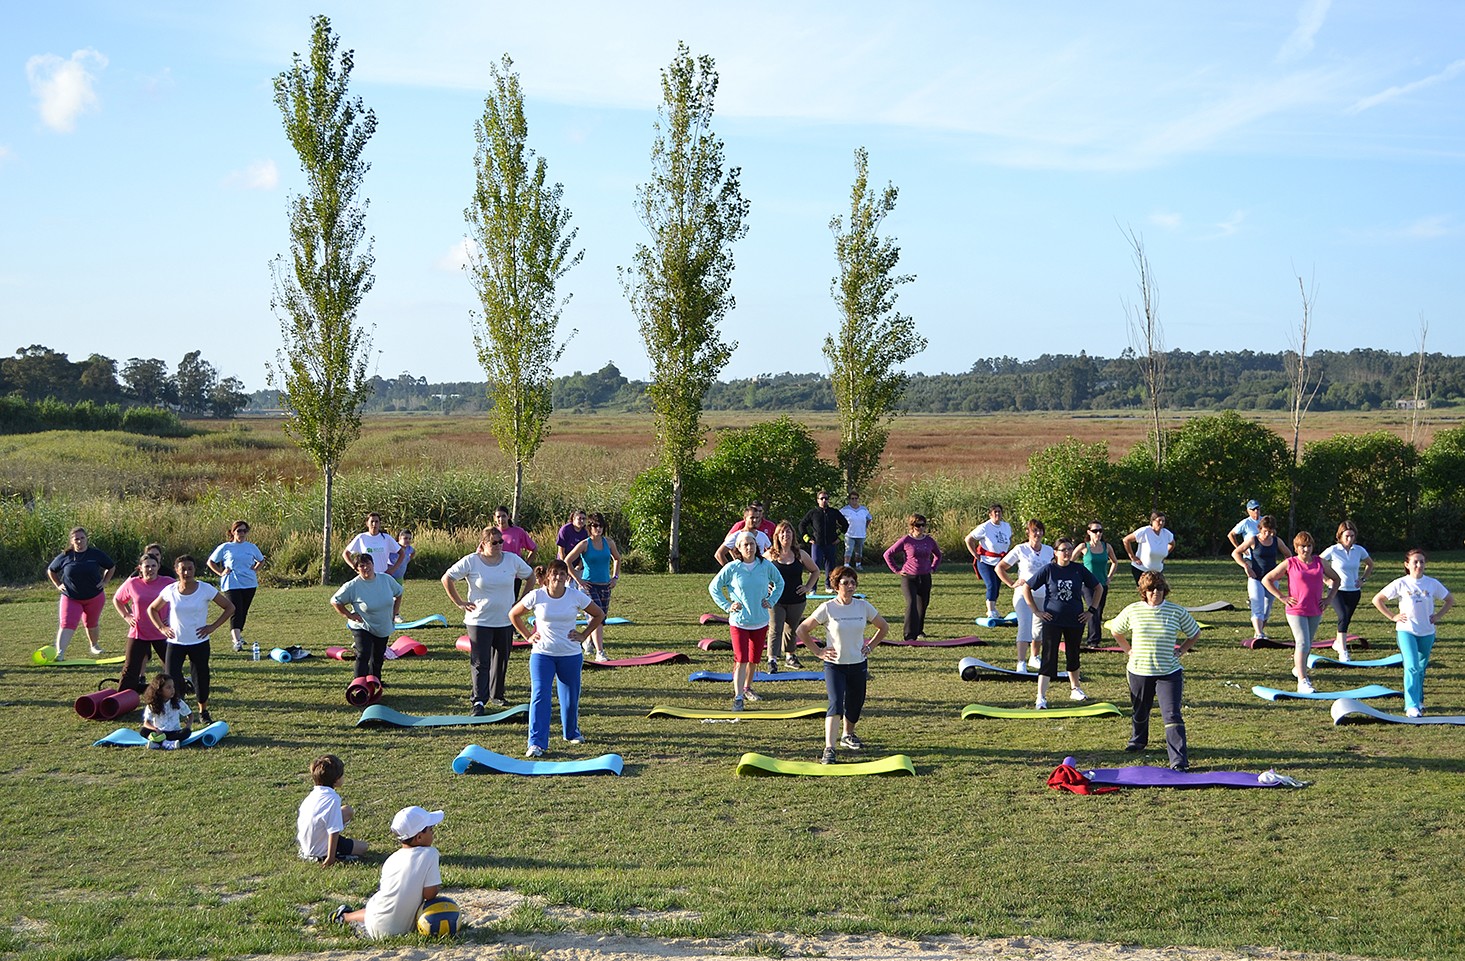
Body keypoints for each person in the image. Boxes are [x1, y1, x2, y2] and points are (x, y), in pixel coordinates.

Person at [1108, 572, 1202, 771]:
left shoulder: (1176, 611)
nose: (1155, 592)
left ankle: (1178, 760)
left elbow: (1194, 633)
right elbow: (1116, 630)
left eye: (1159, 588)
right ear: (1144, 591)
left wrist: (1182, 650)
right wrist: (1128, 649)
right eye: (1150, 589)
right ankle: (1138, 740)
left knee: (1172, 714)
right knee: (1140, 709)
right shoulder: (1133, 610)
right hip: (1139, 671)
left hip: (1169, 672)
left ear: (1164, 590)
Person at [510, 559, 604, 756]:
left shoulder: (575, 596)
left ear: (567, 577)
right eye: (555, 573)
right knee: (540, 695)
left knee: (570, 698)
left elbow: (598, 614)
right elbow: (514, 614)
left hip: (570, 654)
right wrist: (528, 636)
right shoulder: (537, 595)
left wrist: (584, 635)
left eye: (562, 574)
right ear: (547, 576)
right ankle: (536, 743)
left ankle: (571, 732)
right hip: (542, 654)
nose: (558, 577)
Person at [796, 566, 888, 764]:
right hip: (834, 666)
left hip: (858, 663)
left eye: (853, 582)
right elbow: (802, 630)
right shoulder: (828, 608)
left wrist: (870, 646)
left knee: (855, 704)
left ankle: (848, 734)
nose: (850, 586)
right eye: (845, 583)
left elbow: (883, 627)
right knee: (836, 704)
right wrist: (818, 651)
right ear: (836, 585)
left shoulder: (863, 606)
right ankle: (829, 748)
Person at [442, 527, 535, 714]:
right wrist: (459, 602)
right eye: (494, 542)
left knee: (501, 660)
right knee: (480, 661)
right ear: (483, 544)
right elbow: (447, 578)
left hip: (505, 620)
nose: (499, 545)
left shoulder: (511, 559)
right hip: (479, 621)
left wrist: (521, 602)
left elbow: (530, 576)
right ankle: (478, 700)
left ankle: (497, 695)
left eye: (501, 542)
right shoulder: (472, 561)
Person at [332, 806, 444, 938]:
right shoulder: (431, 854)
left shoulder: (392, 859)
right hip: (401, 929)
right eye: (431, 830)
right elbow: (430, 894)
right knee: (381, 910)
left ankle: (344, 917)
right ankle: (346, 916)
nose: (433, 833)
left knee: (378, 910)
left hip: (376, 923)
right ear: (419, 837)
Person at [148, 555, 235, 724]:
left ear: (195, 570)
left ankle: (203, 711)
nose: (187, 572)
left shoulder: (205, 589)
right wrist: (162, 628)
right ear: (176, 570)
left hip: (199, 642)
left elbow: (230, 607)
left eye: (190, 569)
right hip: (175, 643)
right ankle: (174, 710)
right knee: (171, 678)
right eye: (183, 569)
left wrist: (212, 626)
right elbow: (152, 609)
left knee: (201, 678)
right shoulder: (170, 590)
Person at [1018, 535, 1103, 707]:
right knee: (1049, 657)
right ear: (1055, 552)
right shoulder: (1049, 569)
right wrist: (1036, 611)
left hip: (1075, 620)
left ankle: (1075, 689)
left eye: (1070, 549)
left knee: (1073, 654)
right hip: (1053, 620)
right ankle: (1041, 697)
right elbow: (1027, 587)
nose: (1068, 553)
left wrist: (1091, 611)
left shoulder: (1078, 569)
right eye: (1064, 550)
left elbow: (1098, 587)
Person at [1372, 549, 1455, 718]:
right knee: (1411, 667)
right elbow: (1377, 599)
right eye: (1415, 562)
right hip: (1406, 631)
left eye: (1422, 562)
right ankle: (1411, 706)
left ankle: (1419, 700)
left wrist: (1438, 616)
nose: (1419, 565)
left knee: (1421, 668)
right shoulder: (1401, 583)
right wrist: (1392, 616)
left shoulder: (1432, 583)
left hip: (1427, 632)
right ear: (1407, 565)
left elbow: (1449, 599)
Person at [708, 531, 785, 710]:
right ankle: (738, 697)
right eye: (745, 545)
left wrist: (771, 600)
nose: (749, 547)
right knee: (741, 658)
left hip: (760, 620)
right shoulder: (732, 568)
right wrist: (728, 606)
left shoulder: (765, 565)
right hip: (739, 622)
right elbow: (714, 588)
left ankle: (747, 688)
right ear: (738, 548)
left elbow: (780, 583)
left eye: (752, 544)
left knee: (754, 659)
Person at [1262, 531, 1339, 694]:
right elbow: (1267, 579)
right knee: (1302, 642)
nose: (1306, 549)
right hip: (1296, 609)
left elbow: (1336, 579)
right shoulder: (1290, 563)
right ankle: (1303, 681)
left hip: (1315, 608)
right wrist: (1282, 597)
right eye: (1302, 546)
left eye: (1309, 546)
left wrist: (1329, 598)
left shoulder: (1320, 562)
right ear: (1296, 548)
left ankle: (1299, 668)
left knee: (1308, 643)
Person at [331, 554, 403, 688]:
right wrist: (349, 615)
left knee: (378, 655)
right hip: (362, 625)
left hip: (382, 624)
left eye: (368, 564)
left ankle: (375, 681)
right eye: (361, 566)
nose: (366, 568)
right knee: (363, 653)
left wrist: (395, 612)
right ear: (356, 569)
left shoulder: (386, 579)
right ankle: (359, 685)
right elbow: (335, 601)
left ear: (373, 564)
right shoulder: (352, 585)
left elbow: (399, 593)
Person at [46, 527, 116, 659]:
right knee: (67, 623)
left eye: (82, 538)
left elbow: (111, 567)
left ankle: (94, 646)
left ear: (86, 539)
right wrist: (58, 585)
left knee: (91, 623)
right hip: (71, 597)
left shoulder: (95, 554)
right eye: (76, 539)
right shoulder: (65, 556)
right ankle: (60, 653)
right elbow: (51, 570)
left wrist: (105, 581)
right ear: (71, 541)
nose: (79, 541)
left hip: (95, 597)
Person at [996, 519, 1054, 673]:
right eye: (1035, 530)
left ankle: (1034, 657)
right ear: (1028, 532)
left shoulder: (1048, 550)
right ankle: (1021, 662)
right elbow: (1000, 567)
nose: (1038, 534)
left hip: (1043, 594)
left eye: (1040, 530)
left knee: (1039, 627)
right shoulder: (1020, 549)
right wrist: (1011, 583)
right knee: (1025, 625)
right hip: (1023, 594)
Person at [112, 553, 175, 692]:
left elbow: (180, 599)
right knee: (130, 669)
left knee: (172, 667)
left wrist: (171, 618)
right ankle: (122, 697)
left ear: (158, 567)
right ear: (140, 568)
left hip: (163, 632)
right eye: (147, 566)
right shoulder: (132, 583)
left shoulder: (169, 583)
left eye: (153, 566)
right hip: (139, 632)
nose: (150, 569)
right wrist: (126, 616)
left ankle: (175, 694)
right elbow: (117, 599)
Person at [564, 512, 622, 662]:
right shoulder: (584, 544)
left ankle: (587, 640)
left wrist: (615, 577)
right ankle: (600, 653)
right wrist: (578, 579)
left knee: (600, 619)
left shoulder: (609, 543)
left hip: (605, 585)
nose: (598, 529)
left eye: (601, 526)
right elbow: (567, 561)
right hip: (588, 586)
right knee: (598, 616)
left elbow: (617, 558)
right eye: (595, 526)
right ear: (589, 527)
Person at [764, 520, 819, 672]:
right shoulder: (770, 555)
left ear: (793, 535)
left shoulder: (800, 554)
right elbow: (757, 571)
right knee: (775, 628)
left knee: (792, 628)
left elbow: (815, 571)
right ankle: (772, 660)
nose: (785, 535)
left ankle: (790, 656)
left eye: (788, 532)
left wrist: (807, 587)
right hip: (776, 600)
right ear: (777, 536)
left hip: (796, 600)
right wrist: (765, 585)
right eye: (782, 532)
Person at [1230, 515, 1291, 642]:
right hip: (1256, 577)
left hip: (1271, 580)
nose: (1267, 534)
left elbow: (1288, 555)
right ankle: (1259, 634)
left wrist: (1282, 571)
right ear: (1260, 528)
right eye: (1265, 531)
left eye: (1270, 531)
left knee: (1267, 609)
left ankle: (1259, 631)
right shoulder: (1253, 540)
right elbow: (1235, 553)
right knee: (1257, 606)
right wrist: (1246, 566)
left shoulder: (1277, 541)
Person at [297, 754, 366, 866]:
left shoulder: (312, 795)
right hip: (320, 850)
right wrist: (330, 858)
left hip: (308, 844)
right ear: (336, 780)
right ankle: (332, 853)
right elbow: (333, 831)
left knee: (347, 810)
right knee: (363, 847)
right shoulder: (332, 799)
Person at [207, 520, 265, 653]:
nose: (242, 533)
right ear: (233, 532)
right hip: (231, 583)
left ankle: (238, 634)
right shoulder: (225, 547)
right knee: (235, 610)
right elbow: (211, 562)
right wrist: (221, 572)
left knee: (243, 610)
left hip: (249, 583)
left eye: (245, 531)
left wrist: (255, 570)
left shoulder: (251, 547)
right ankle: (236, 640)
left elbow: (261, 560)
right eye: (239, 531)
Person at [883, 513, 942, 641]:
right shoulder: (906, 540)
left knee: (923, 604)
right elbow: (887, 554)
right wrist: (896, 570)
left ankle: (919, 630)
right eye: (918, 525)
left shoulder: (929, 540)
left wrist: (933, 567)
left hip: (925, 576)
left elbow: (938, 555)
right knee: (911, 604)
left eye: (923, 525)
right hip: (909, 577)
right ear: (912, 526)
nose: (921, 528)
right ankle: (909, 634)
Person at [1321, 520, 1374, 663]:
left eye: (1352, 536)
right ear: (1340, 536)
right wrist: (1326, 580)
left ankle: (1338, 642)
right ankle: (1343, 651)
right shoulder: (1333, 550)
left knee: (1346, 619)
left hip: (1354, 591)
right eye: (1346, 536)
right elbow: (1317, 564)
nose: (1349, 539)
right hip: (1337, 591)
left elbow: (1370, 564)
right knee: (1343, 616)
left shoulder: (1359, 550)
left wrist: (1363, 579)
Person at [1072, 520, 1117, 647]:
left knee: (1099, 612)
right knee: (1093, 610)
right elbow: (1069, 561)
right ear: (1089, 532)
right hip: (1087, 585)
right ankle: (1093, 641)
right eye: (1095, 531)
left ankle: (1094, 637)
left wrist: (1109, 577)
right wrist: (1076, 576)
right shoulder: (1083, 547)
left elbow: (1115, 562)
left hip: (1102, 584)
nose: (1098, 533)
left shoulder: (1106, 547)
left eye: (1100, 531)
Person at [964, 504, 1012, 621]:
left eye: (999, 511)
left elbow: (1008, 540)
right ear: (990, 514)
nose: (997, 514)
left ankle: (994, 609)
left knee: (997, 586)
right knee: (991, 585)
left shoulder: (1006, 526)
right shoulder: (985, 527)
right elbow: (968, 539)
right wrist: (975, 554)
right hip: (985, 561)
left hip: (1000, 563)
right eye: (995, 512)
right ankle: (990, 611)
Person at [798, 490, 848, 590]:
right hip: (817, 544)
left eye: (826, 498)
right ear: (818, 500)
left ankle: (829, 586)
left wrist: (840, 538)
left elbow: (845, 525)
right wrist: (807, 538)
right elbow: (802, 525)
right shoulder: (813, 513)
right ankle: (812, 588)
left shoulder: (834, 512)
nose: (824, 500)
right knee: (815, 566)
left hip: (831, 544)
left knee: (831, 567)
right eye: (822, 498)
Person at [494, 506, 538, 597]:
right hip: (497, 573)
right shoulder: (492, 533)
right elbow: (481, 550)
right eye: (498, 517)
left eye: (503, 516)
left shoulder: (518, 532)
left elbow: (533, 548)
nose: (501, 519)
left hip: (514, 575)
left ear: (509, 516)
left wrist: (525, 565)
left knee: (512, 601)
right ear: (494, 518)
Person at [140, 672, 191, 750]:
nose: (172, 690)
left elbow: (190, 714)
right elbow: (146, 723)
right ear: (159, 690)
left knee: (187, 732)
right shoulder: (152, 705)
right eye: (168, 687)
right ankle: (166, 743)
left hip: (174, 732)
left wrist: (188, 725)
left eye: (173, 687)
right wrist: (156, 729)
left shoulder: (178, 702)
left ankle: (160, 743)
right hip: (159, 732)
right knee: (143, 731)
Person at [1123, 511, 1175, 585]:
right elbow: (1126, 540)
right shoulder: (1145, 531)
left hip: (1158, 570)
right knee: (1147, 591)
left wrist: (1164, 555)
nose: (1161, 523)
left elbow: (1172, 544)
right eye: (1159, 520)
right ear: (1152, 521)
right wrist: (1132, 557)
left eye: (1163, 521)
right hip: (1142, 570)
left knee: (1159, 591)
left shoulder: (1166, 534)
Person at [840, 492, 873, 570]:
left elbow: (869, 518)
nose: (854, 500)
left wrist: (865, 527)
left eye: (856, 498)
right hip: (849, 534)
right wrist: (842, 528)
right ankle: (846, 565)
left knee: (859, 551)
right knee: (848, 549)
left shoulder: (863, 509)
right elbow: (838, 518)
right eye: (852, 498)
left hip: (861, 534)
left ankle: (858, 565)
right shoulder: (845, 510)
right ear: (849, 500)